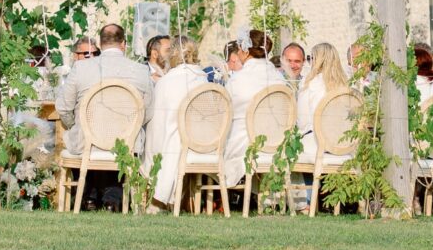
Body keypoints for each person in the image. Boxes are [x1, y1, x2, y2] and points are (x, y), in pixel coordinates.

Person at [57, 24, 152, 158]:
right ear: (124, 44)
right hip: (128, 145)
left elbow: (64, 108)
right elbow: (148, 112)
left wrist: (80, 124)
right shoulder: (142, 71)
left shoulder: (80, 68)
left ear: (100, 44)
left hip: (87, 145)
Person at [143, 34, 210, 209]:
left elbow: (156, 121)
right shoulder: (204, 79)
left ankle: (157, 195)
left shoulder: (167, 82)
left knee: (155, 137)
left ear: (172, 55)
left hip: (175, 145)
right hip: (202, 142)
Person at [224, 30, 287, 187]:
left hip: (246, 143)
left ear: (245, 51)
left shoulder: (237, 79)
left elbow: (226, 111)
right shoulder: (279, 78)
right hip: (277, 142)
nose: (237, 53)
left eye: (239, 49)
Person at [297, 42, 349, 164]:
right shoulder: (346, 84)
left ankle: (308, 182)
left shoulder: (309, 83)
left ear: (318, 61)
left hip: (316, 144)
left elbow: (302, 122)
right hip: (344, 144)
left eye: (311, 58)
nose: (310, 62)